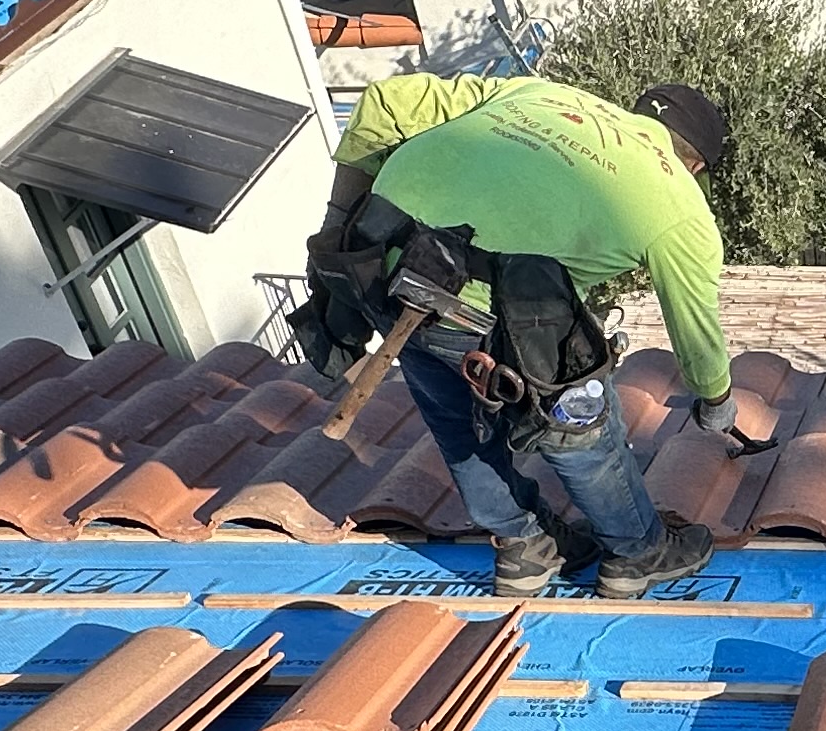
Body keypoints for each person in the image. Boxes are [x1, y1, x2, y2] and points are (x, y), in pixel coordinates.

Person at [309, 71, 747, 596]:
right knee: (579, 429)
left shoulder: (543, 93)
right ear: (694, 165)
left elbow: (382, 99)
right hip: (485, 302)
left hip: (380, 272)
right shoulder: (678, 203)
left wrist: (337, 222)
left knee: (458, 422)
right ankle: (639, 553)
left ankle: (524, 548)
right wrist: (715, 401)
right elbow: (696, 330)